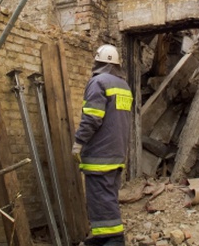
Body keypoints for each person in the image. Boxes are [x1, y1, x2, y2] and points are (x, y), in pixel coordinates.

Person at [73, 44, 132, 246]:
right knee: (107, 199)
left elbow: (92, 117)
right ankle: (101, 239)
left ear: (98, 62)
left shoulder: (98, 82)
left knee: (101, 201)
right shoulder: (124, 86)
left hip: (100, 155)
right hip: (117, 154)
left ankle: (115, 240)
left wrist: (79, 142)